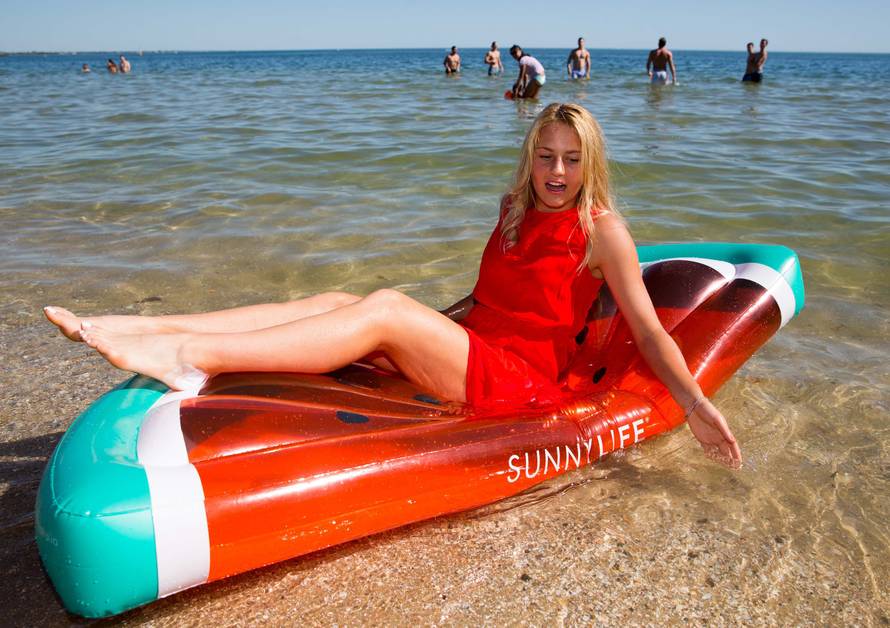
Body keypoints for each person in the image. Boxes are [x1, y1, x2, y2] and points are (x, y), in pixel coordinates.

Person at [44, 102, 742, 468]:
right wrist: (422, 328)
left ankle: (194, 358)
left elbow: (648, 328)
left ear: (589, 164)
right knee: (337, 304)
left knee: (382, 308)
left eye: (570, 160)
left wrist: (694, 402)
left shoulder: (602, 231)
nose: (555, 172)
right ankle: (160, 330)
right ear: (529, 158)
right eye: (544, 157)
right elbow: (484, 304)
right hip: (473, 350)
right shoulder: (513, 210)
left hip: (521, 382)